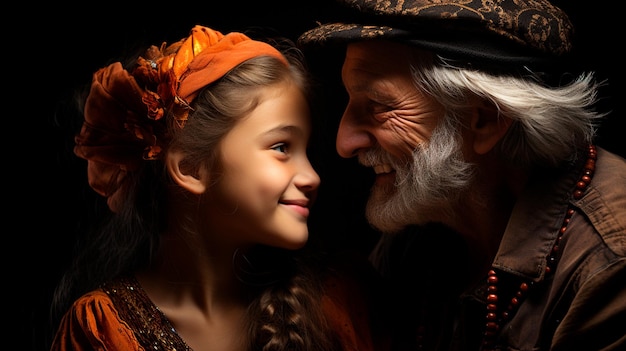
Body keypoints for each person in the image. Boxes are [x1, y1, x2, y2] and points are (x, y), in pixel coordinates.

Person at [297, 0, 626, 350]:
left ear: (487, 119)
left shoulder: (607, 266)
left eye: (378, 107)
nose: (344, 143)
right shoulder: (428, 217)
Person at [49, 24, 390, 351]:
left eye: (306, 150)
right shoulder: (101, 328)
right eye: (282, 147)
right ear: (192, 168)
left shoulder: (341, 299)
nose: (312, 176)